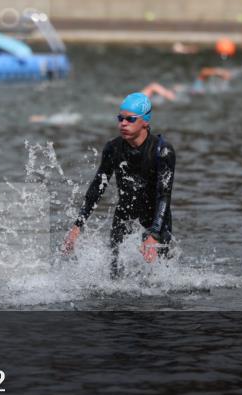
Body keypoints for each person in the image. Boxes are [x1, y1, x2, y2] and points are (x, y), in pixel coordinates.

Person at [63, 93, 176, 276]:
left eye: (130, 119)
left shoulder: (162, 151)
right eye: (120, 118)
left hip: (156, 219)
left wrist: (154, 234)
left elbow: (164, 195)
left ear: (145, 122)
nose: (123, 124)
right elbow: (97, 188)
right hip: (124, 217)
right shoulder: (113, 148)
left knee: (159, 279)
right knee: (114, 275)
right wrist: (78, 225)